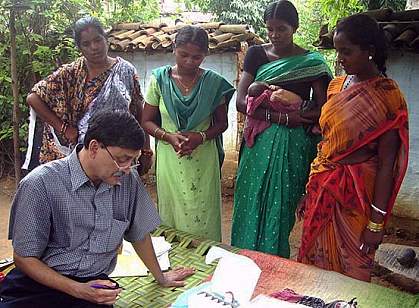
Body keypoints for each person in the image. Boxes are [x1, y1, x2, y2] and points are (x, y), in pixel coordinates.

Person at [0, 110, 194, 307]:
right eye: (122, 158)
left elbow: (139, 234)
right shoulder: (40, 184)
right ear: (94, 147)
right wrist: (78, 290)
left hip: (93, 286)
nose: (127, 168)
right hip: (39, 285)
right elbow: (24, 258)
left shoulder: (128, 180)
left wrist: (161, 277)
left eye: (132, 161)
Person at [297, 14, 409, 282]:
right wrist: (308, 190)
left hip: (356, 198)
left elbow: (387, 164)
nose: (340, 59)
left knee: (353, 271)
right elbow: (326, 143)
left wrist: (376, 222)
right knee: (314, 270)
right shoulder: (337, 86)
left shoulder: (388, 96)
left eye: (346, 52)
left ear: (369, 51)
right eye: (338, 52)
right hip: (323, 186)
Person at [231, 0, 332, 258]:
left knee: (281, 203)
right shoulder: (256, 54)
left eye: (282, 29)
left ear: (295, 27)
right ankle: (244, 260)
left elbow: (324, 110)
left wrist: (295, 116)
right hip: (259, 142)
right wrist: (282, 118)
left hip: (293, 145)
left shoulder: (312, 63)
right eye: (270, 29)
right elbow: (242, 102)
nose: (275, 35)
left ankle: (274, 264)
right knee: (250, 196)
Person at [23, 16, 152, 175]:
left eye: (97, 40)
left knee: (118, 196)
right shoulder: (71, 73)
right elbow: (34, 98)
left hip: (120, 153)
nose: (94, 47)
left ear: (106, 39)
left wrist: (146, 150)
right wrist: (63, 128)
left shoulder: (126, 70)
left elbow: (139, 110)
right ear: (80, 47)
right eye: (86, 44)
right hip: (84, 156)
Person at [141, 25, 235, 241]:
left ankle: (206, 258)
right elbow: (146, 121)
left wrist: (200, 137)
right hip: (170, 157)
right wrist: (168, 136)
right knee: (172, 212)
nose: (189, 62)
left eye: (197, 57)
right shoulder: (159, 80)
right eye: (184, 55)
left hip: (203, 157)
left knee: (203, 212)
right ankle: (175, 262)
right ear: (174, 48)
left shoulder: (213, 83)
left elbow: (221, 123)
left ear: (205, 55)